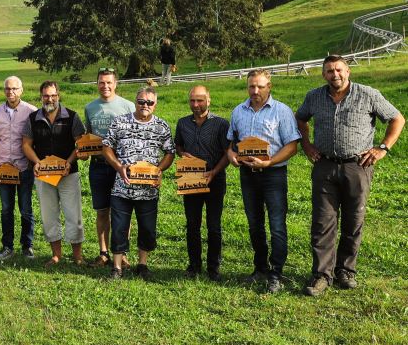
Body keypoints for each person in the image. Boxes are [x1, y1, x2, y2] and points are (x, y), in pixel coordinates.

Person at [296, 55, 403, 296]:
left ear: (348, 71)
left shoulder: (368, 94)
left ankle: (345, 270)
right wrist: (306, 144)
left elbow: (397, 118)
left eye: (339, 70)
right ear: (323, 74)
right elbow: (301, 118)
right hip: (324, 165)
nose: (335, 74)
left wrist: (383, 147)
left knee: (354, 220)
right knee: (323, 222)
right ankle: (322, 275)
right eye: (329, 71)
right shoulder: (314, 97)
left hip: (358, 166)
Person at [226, 69, 301, 294]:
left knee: (277, 225)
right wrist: (231, 156)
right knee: (254, 224)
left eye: (260, 86)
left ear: (269, 86)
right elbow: (232, 142)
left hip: (272, 175)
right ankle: (259, 268)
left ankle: (276, 272)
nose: (255, 91)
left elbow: (291, 146)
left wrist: (269, 163)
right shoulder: (238, 111)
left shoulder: (282, 111)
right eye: (251, 86)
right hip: (248, 175)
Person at [101, 85, 175, 279]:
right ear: (135, 102)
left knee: (147, 228)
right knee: (118, 227)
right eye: (141, 101)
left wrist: (159, 169)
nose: (145, 105)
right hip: (122, 188)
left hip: (148, 190)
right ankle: (116, 267)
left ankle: (142, 264)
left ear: (155, 104)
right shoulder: (120, 122)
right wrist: (118, 166)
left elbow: (170, 152)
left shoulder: (162, 126)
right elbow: (106, 146)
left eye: (149, 102)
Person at [22, 81, 86, 266]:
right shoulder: (33, 118)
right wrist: (37, 162)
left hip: (68, 174)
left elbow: (80, 143)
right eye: (46, 96)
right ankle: (56, 255)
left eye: (53, 95)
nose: (49, 99)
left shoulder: (72, 117)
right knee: (49, 215)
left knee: (74, 215)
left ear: (58, 95)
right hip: (44, 175)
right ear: (41, 97)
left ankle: (77, 256)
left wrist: (69, 162)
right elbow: (26, 144)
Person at [174, 85, 230, 281]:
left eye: (200, 100)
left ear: (209, 100)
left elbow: (227, 153)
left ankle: (214, 267)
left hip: (214, 179)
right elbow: (178, 145)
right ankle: (194, 265)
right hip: (191, 178)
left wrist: (214, 172)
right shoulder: (182, 123)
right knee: (192, 224)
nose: (196, 105)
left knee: (214, 225)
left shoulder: (222, 124)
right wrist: (182, 153)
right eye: (192, 101)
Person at [84, 68, 135, 267]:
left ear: (116, 84)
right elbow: (88, 135)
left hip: (121, 167)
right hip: (98, 166)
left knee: (123, 211)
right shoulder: (90, 108)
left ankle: (121, 252)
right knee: (102, 211)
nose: (105, 86)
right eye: (101, 82)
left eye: (108, 82)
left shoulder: (128, 106)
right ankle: (104, 253)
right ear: (97, 84)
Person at [0, 76, 38, 260]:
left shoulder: (31, 111)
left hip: (24, 167)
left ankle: (27, 246)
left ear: (21, 90)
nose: (11, 92)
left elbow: (35, 142)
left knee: (26, 209)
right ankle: (7, 246)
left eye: (15, 88)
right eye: (8, 89)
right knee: (6, 209)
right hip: (3, 169)